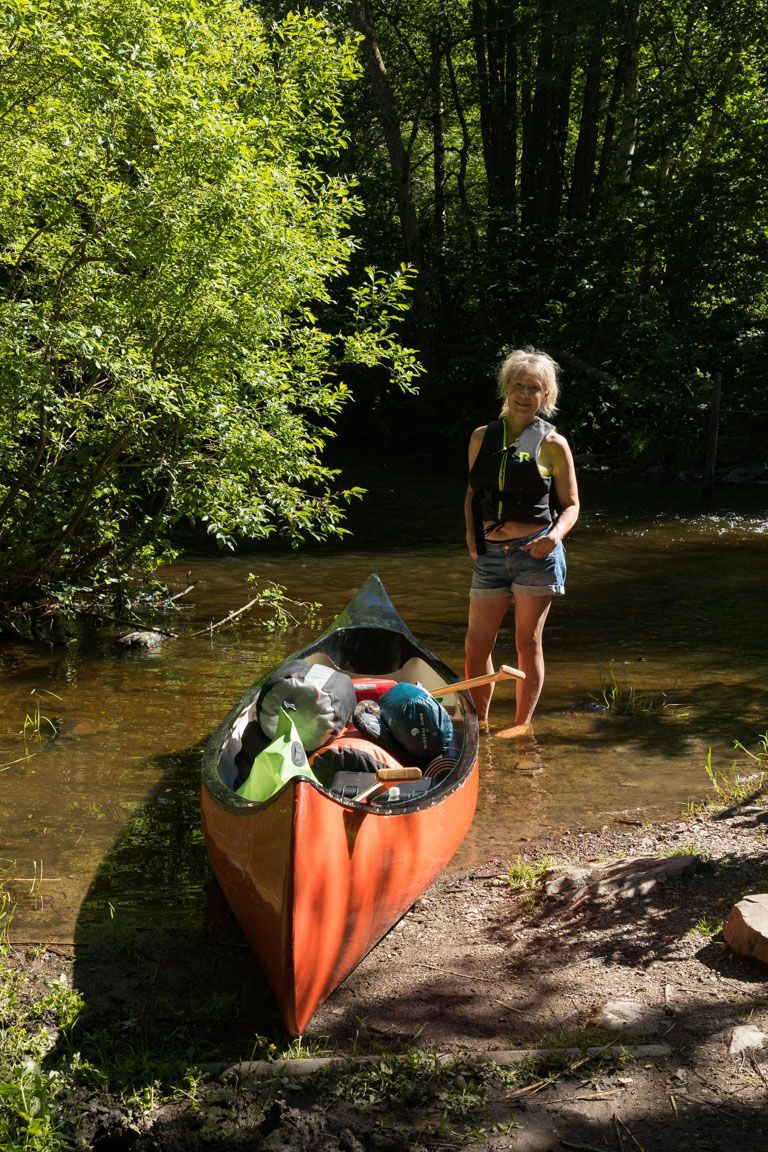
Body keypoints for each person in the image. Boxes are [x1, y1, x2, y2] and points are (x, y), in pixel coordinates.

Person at [464, 348, 579, 734]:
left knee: (526, 644)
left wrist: (552, 538)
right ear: (506, 388)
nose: (525, 394)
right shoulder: (481, 437)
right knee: (476, 646)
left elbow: (572, 506)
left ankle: (519, 727)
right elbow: (472, 494)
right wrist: (471, 535)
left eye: (535, 388)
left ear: (546, 395)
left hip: (537, 552)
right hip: (490, 554)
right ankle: (478, 724)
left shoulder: (553, 444)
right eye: (518, 385)